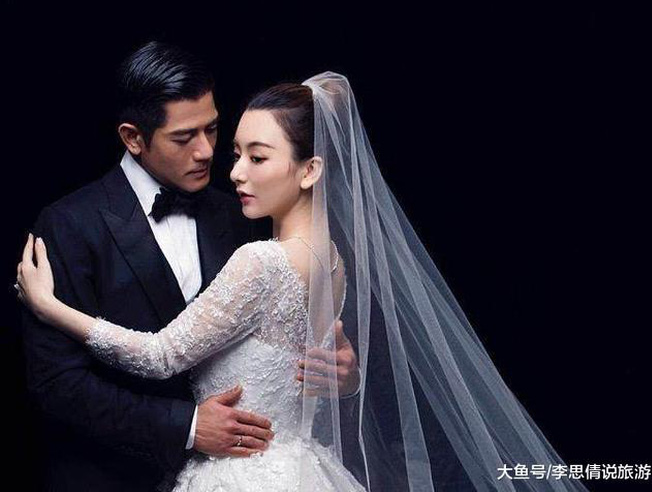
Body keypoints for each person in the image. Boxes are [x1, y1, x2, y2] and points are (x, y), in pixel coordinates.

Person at [17, 72, 590, 492]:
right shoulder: (333, 259)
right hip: (284, 467)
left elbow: (163, 354)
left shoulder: (257, 252)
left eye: (254, 155)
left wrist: (50, 306)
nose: (228, 167)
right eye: (235, 152)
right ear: (133, 136)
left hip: (246, 474)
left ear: (310, 168)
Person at [18, 42, 359, 492]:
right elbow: (57, 383)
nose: (207, 153)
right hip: (116, 477)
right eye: (184, 138)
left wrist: (339, 374)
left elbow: (275, 335)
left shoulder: (244, 215)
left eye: (212, 130)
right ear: (133, 138)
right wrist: (188, 426)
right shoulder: (69, 225)